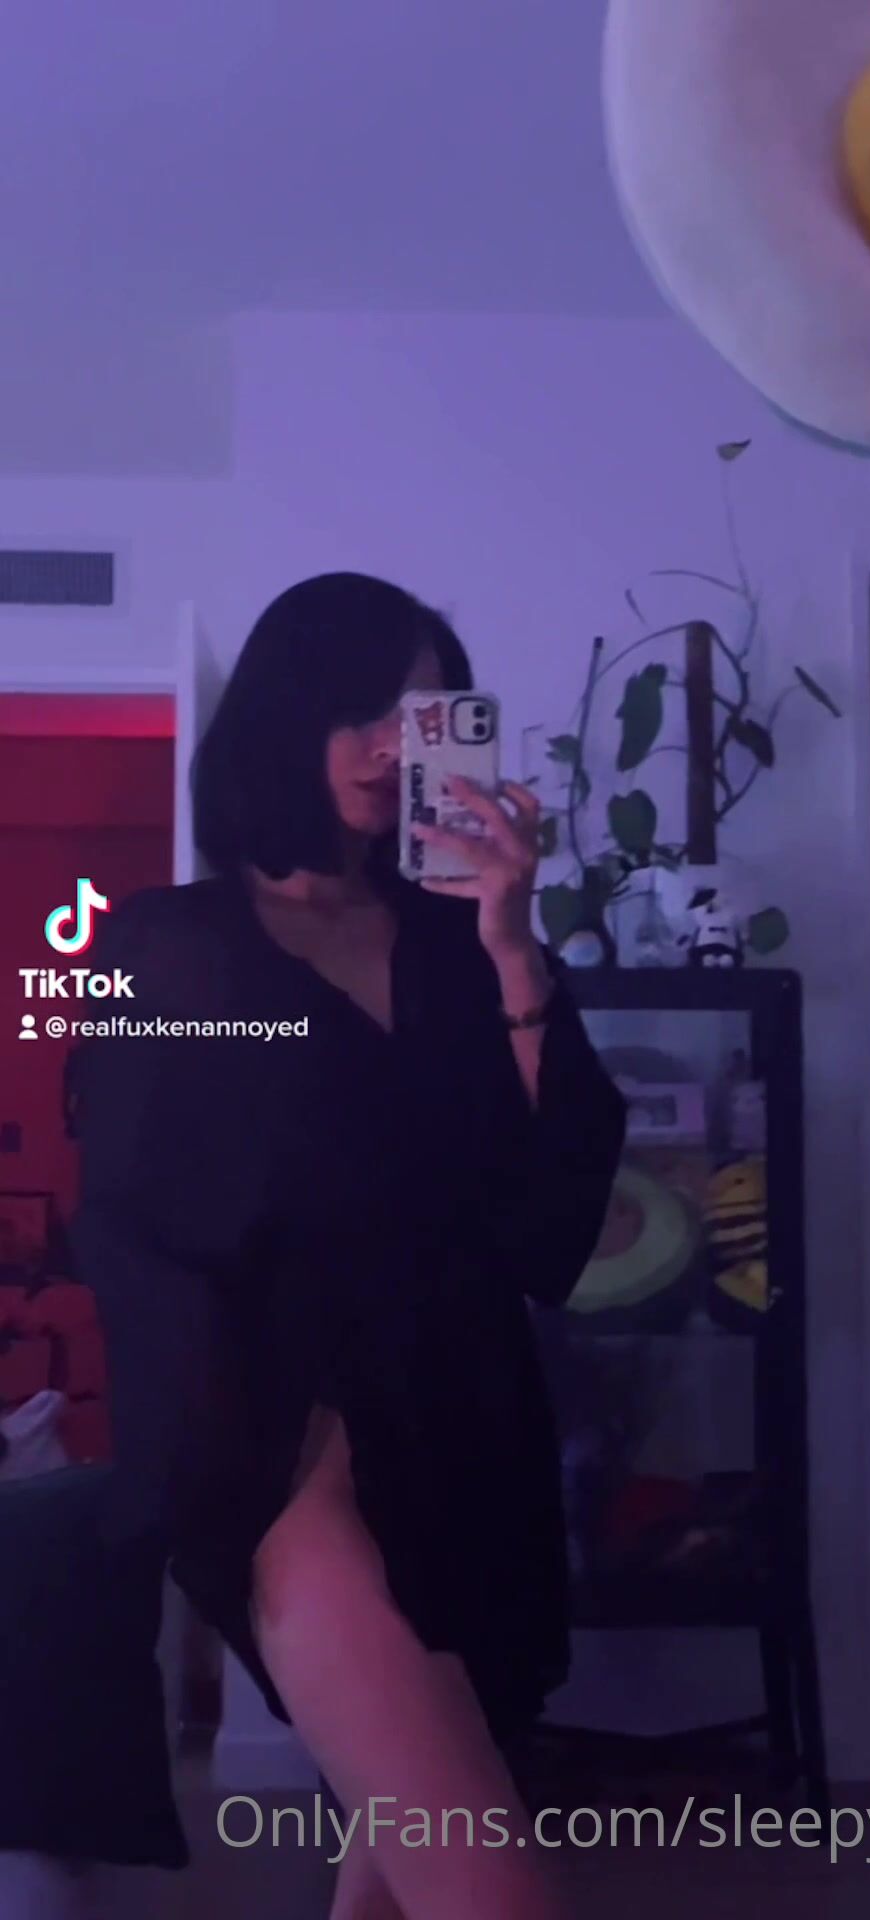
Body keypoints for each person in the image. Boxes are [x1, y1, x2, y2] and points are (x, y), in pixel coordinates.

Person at [69, 573, 626, 1920]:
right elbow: (139, 1214)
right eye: (364, 710)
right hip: (287, 1451)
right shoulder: (172, 947)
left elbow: (549, 1210)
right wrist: (234, 1454)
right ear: (286, 715)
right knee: (490, 1887)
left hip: (470, 1429)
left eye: (425, 713)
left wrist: (513, 947)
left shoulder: (457, 944)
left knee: (395, 1860)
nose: (393, 744)